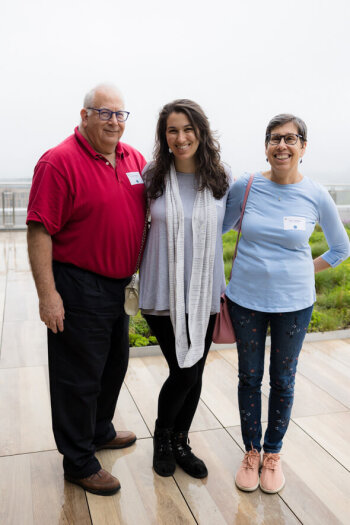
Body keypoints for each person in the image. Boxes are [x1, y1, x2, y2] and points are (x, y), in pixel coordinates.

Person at [26, 84, 147, 496]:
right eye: (104, 113)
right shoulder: (59, 162)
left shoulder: (133, 158)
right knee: (78, 377)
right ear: (84, 115)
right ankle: (78, 460)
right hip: (78, 285)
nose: (114, 121)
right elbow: (40, 230)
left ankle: (98, 429)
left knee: (113, 366)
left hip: (118, 286)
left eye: (120, 114)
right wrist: (48, 295)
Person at [223, 114, 350, 494]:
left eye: (291, 139)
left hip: (294, 304)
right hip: (245, 300)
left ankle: (273, 453)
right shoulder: (245, 187)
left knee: (283, 380)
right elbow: (219, 231)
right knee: (249, 377)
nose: (282, 145)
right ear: (266, 146)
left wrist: (302, 269)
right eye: (275, 138)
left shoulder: (316, 194)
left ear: (303, 147)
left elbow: (341, 248)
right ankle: (251, 450)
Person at [139, 99, 231, 478]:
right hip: (161, 293)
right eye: (173, 130)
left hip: (204, 293)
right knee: (185, 372)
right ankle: (163, 438)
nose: (181, 137)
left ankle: (181, 440)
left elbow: (231, 223)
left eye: (188, 129)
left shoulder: (221, 179)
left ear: (201, 132)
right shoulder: (152, 177)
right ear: (165, 136)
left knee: (195, 372)